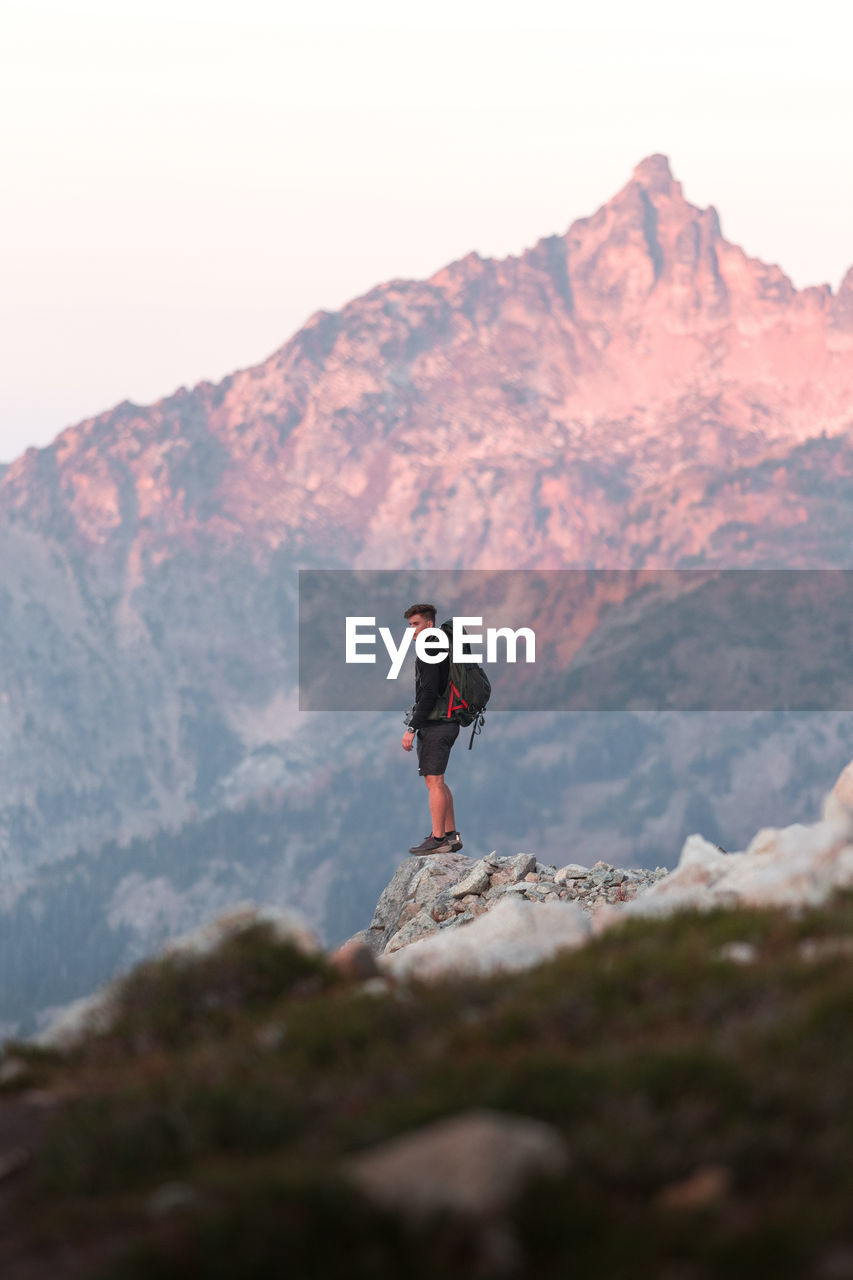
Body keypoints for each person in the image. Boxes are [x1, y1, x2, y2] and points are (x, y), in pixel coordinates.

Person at [401, 603, 463, 856]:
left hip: (437, 723)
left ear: (429, 624)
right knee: (439, 780)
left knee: (434, 782)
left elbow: (428, 694)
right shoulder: (444, 645)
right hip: (449, 721)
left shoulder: (429, 647)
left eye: (416, 624)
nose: (412, 630)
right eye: (410, 625)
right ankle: (450, 834)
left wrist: (412, 728)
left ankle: (438, 839)